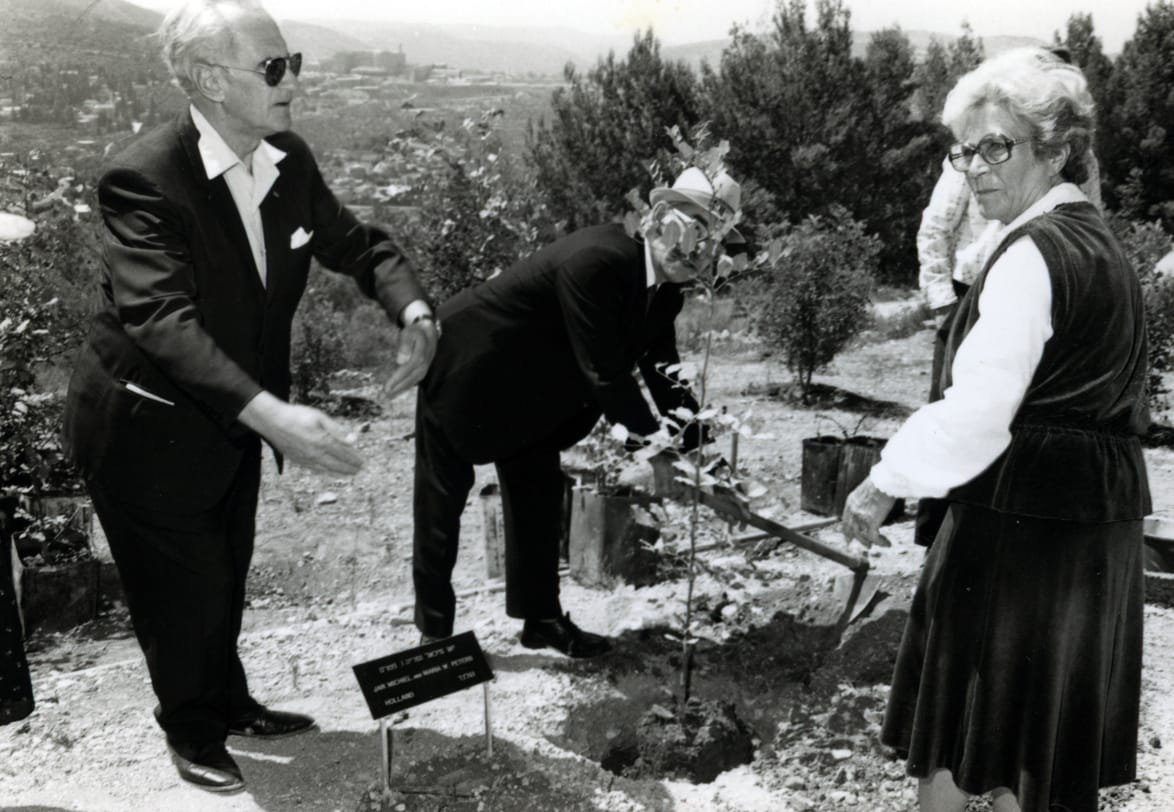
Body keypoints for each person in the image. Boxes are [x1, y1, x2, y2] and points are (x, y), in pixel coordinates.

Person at [61, 0, 438, 794]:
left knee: (224, 569)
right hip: (144, 427)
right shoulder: (142, 179)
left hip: (232, 419)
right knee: (181, 589)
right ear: (205, 79)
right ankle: (192, 729)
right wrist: (271, 415)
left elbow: (359, 244)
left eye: (291, 61)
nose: (292, 80)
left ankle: (227, 701)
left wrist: (413, 308)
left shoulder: (287, 160)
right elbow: (161, 319)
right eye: (273, 68)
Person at [843, 47, 1150, 812]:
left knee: (958, 734)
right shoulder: (1101, 243)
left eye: (997, 147)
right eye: (965, 150)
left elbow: (978, 413)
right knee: (1035, 746)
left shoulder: (1031, 255)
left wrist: (884, 481)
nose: (975, 167)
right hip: (1091, 526)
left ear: (1055, 149)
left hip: (1019, 521)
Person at [412, 167, 740, 658]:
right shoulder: (597, 260)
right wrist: (659, 454)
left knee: (538, 503)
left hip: (535, 391)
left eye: (708, 240)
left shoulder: (666, 291)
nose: (693, 249)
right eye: (686, 228)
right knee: (442, 506)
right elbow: (605, 372)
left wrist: (710, 464)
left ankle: (541, 620)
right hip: (467, 370)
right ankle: (434, 639)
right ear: (654, 219)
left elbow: (665, 376)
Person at [912, 46, 1103, 548]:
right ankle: (938, 543)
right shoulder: (981, 147)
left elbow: (1091, 229)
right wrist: (942, 305)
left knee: (1022, 427)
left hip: (1042, 305)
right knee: (954, 417)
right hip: (970, 296)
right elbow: (935, 228)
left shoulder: (1083, 164)